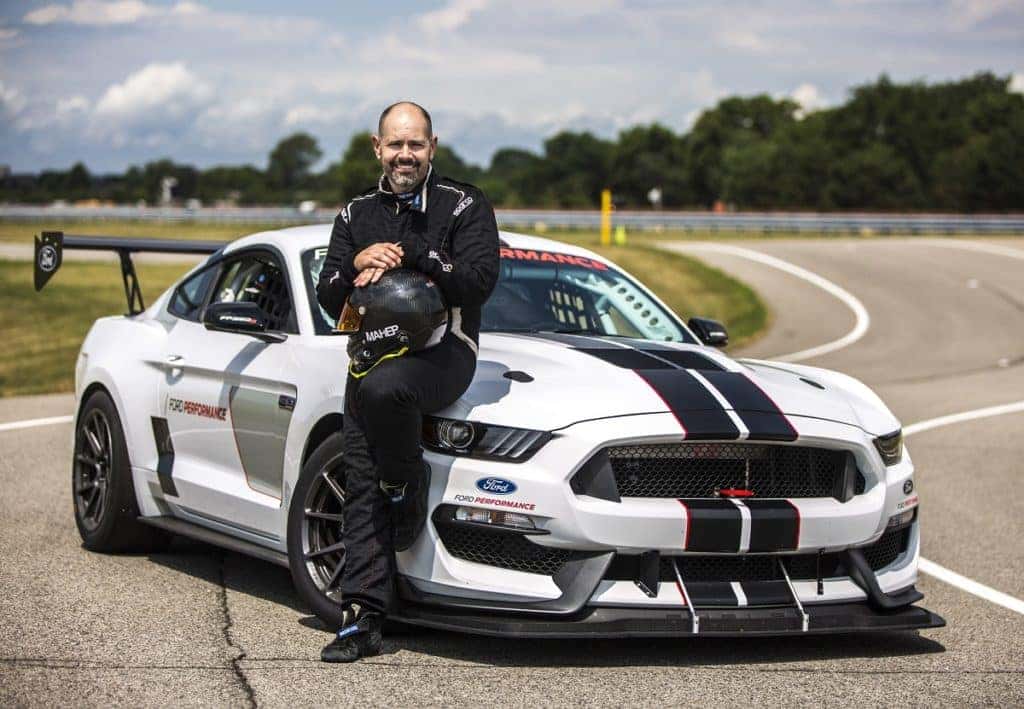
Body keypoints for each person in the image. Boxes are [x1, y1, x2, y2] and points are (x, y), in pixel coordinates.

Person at [315, 101, 500, 662]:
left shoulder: (464, 204)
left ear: (432, 147)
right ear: (377, 147)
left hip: (446, 352)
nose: (404, 155)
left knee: (383, 391)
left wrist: (420, 253)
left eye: (415, 144)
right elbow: (328, 298)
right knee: (361, 472)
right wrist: (353, 267)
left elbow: (478, 283)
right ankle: (362, 619)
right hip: (370, 351)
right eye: (395, 144)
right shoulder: (354, 214)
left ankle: (405, 481)